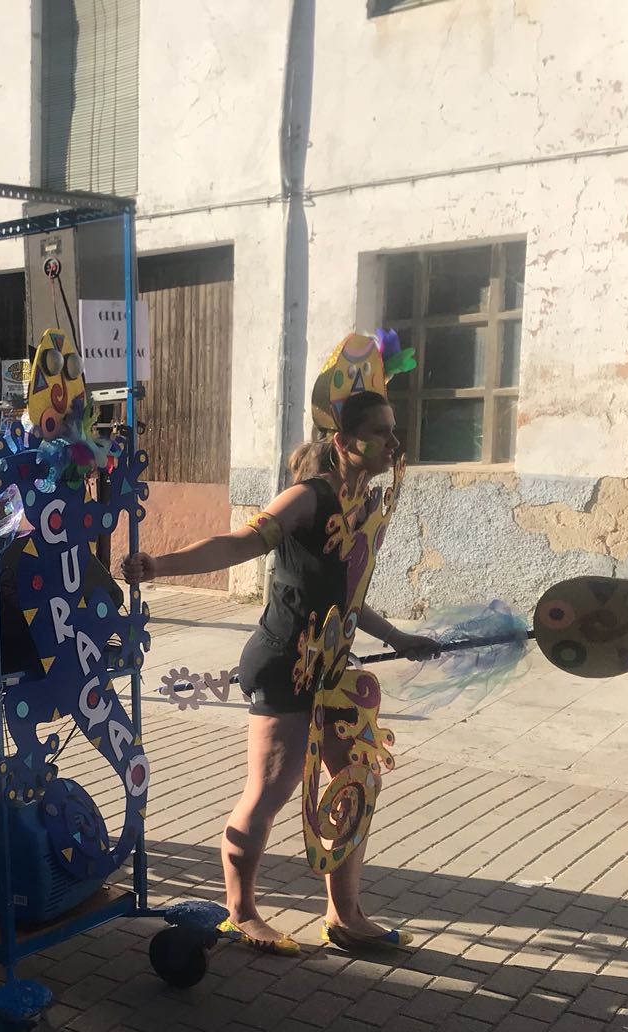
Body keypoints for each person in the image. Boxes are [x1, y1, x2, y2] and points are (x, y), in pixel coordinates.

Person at [122, 339, 439, 956]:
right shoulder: (310, 497)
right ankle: (240, 912)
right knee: (270, 791)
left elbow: (344, 592)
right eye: (379, 432)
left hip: (333, 667)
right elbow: (237, 545)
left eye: (393, 431)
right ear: (344, 440)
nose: (392, 444)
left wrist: (397, 636)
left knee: (353, 780)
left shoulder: (363, 502)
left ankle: (344, 915)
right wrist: (157, 564)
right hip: (283, 665)